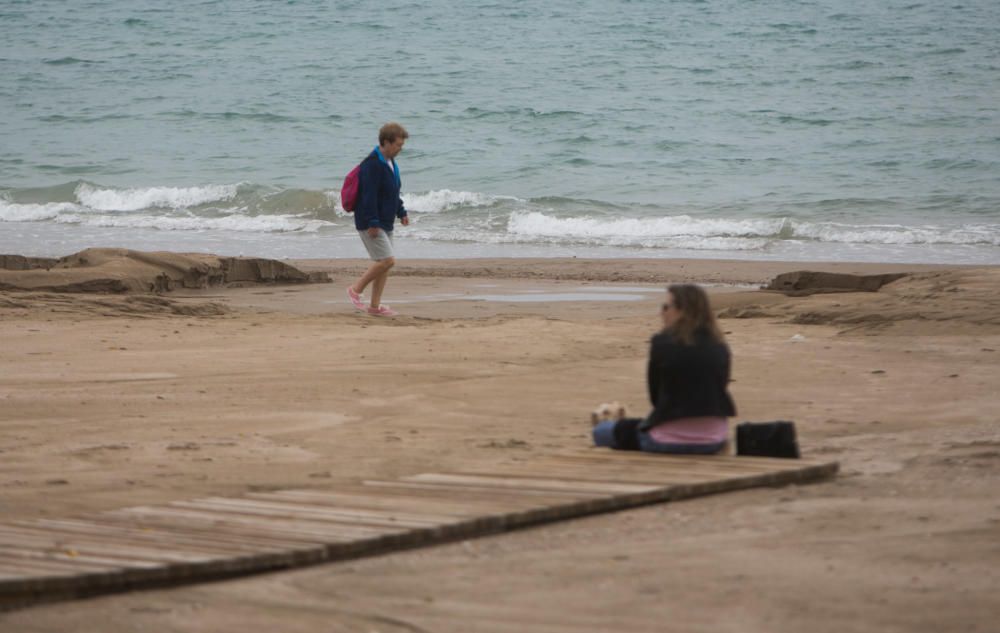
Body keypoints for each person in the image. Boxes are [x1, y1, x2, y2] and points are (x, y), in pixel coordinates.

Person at [593, 284, 736, 454]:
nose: (662, 312)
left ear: (682, 310)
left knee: (601, 432)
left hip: (666, 439)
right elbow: (720, 387)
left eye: (666, 307)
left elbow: (656, 397)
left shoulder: (662, 343)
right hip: (714, 438)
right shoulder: (720, 346)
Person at [346, 122, 410, 317]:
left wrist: (401, 212)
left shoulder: (390, 163)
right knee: (387, 261)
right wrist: (373, 221)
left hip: (386, 220)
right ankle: (355, 290)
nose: (401, 148)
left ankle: (374, 307)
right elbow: (369, 196)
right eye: (398, 144)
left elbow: (392, 192)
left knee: (384, 265)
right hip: (371, 221)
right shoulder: (372, 165)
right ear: (386, 142)